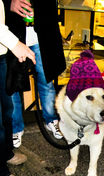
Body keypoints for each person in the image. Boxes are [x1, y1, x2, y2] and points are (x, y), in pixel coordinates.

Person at [6, 0, 63, 148]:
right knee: (14, 82)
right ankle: (16, 127)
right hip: (13, 34)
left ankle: (51, 120)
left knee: (46, 81)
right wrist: (8, 3)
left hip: (41, 34)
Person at [0, 0, 36, 176]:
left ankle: (5, 153)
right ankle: (0, 171)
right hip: (6, 43)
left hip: (1, 52)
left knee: (7, 111)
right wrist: (15, 43)